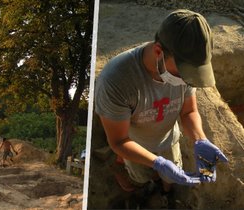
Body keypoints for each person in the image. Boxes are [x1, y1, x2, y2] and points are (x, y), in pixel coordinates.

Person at [94, 9, 228, 206]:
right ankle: (138, 184)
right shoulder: (116, 81)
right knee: (139, 176)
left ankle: (165, 193)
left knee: (170, 177)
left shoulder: (184, 69)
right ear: (158, 52)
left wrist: (200, 139)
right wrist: (157, 163)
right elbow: (119, 140)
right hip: (134, 144)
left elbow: (188, 111)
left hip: (168, 140)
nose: (187, 81)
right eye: (184, 74)